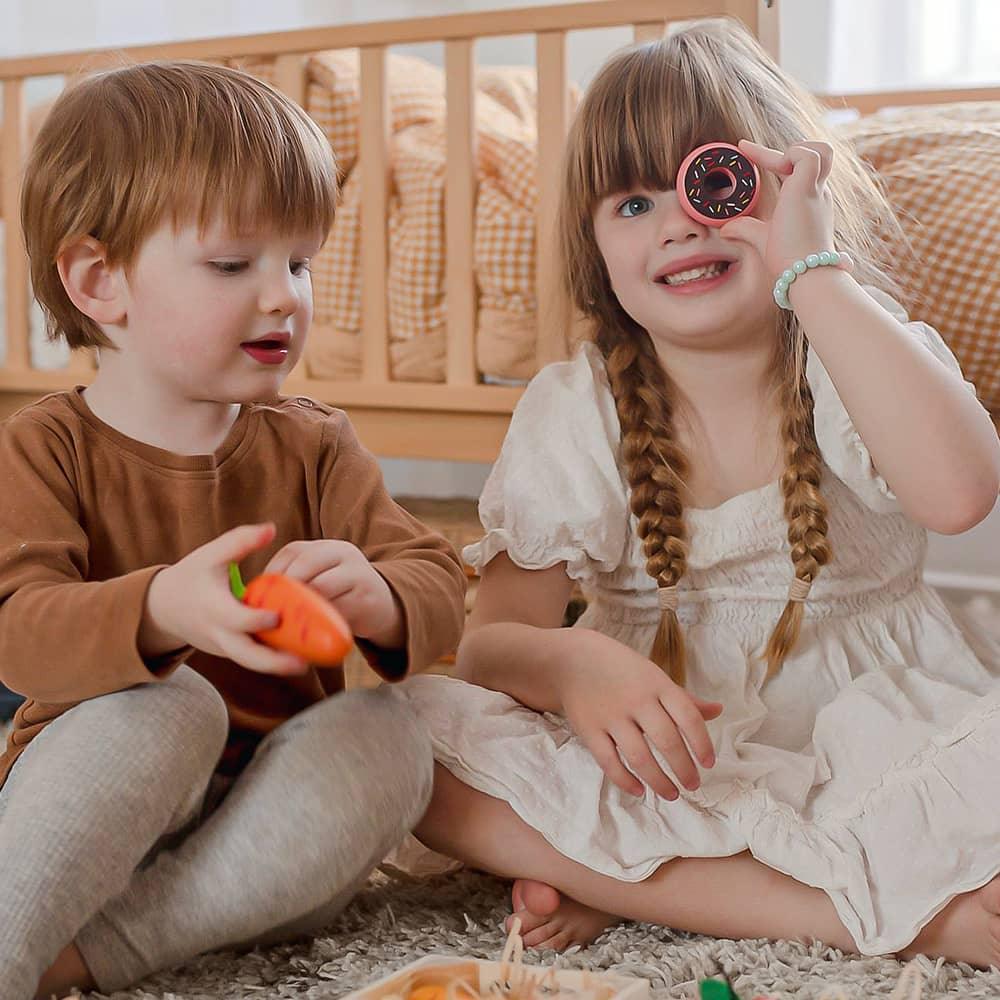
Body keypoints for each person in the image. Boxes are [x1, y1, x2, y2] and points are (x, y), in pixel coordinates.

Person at [401, 19, 1000, 968]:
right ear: (596, 252)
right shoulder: (577, 408)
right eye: (632, 205)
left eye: (715, 184)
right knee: (415, 739)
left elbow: (962, 492)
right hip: (658, 763)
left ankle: (644, 882)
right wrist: (571, 670)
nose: (680, 222)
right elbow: (488, 648)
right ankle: (904, 918)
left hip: (872, 738)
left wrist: (817, 273)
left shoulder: (850, 346)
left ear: (798, 193)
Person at [0, 61, 466, 999]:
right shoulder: (46, 446)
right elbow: (18, 633)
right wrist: (160, 609)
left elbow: (437, 580)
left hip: (262, 838)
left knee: (390, 734)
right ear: (100, 281)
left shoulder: (316, 444)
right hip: (91, 809)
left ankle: (101, 954)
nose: (284, 295)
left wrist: (378, 594)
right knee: (175, 704)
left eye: (298, 262)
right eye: (232, 264)